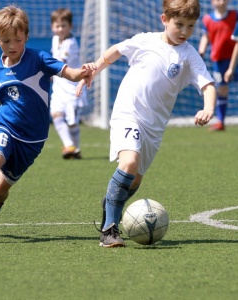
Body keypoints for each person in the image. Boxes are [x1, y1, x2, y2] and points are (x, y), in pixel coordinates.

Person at [0, 4, 94, 245]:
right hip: (5, 126)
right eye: (6, 41)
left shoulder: (38, 59)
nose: (12, 46)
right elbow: (4, 94)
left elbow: (70, 73)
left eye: (18, 40)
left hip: (32, 140)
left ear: (26, 37)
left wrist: (83, 72)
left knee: (0, 190)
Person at [77, 0, 216, 248]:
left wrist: (208, 108)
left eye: (190, 26)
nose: (184, 31)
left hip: (154, 128)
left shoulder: (189, 55)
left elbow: (207, 85)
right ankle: (109, 229)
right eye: (179, 24)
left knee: (134, 181)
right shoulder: (145, 40)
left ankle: (111, 201)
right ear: (165, 20)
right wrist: (94, 69)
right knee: (128, 162)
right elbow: (115, 51)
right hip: (127, 113)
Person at [50, 8, 88, 159]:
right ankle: (69, 145)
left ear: (70, 27)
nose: (60, 29)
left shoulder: (70, 43)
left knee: (72, 122)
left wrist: (48, 71)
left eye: (63, 26)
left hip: (72, 87)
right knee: (56, 114)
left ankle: (76, 148)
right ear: (52, 27)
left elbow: (61, 62)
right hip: (59, 87)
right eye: (57, 26)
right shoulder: (54, 40)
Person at [198, 0, 238, 131]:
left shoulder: (235, 15)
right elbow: (206, 36)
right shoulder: (207, 19)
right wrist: (201, 51)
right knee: (222, 90)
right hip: (219, 60)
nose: (220, 2)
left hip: (235, 58)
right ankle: (220, 121)